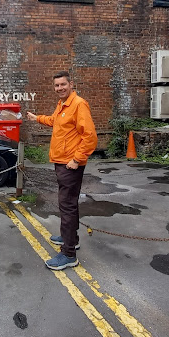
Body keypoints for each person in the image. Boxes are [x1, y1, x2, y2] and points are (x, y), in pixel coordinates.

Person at [26, 71, 98, 270]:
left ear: (71, 84)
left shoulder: (78, 104)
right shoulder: (63, 105)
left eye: (63, 85)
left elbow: (90, 137)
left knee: (67, 205)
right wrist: (36, 118)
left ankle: (68, 254)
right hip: (62, 162)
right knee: (68, 204)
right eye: (57, 85)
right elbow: (54, 121)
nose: (59, 88)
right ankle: (71, 239)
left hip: (70, 164)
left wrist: (77, 159)